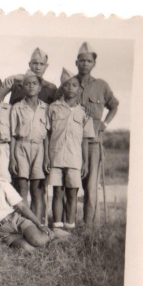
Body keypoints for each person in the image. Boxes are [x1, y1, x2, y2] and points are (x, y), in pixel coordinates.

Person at [0, 152, 69, 251]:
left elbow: (22, 206)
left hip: (16, 220)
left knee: (38, 241)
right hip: (0, 231)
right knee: (29, 249)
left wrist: (40, 224)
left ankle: (54, 233)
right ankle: (49, 240)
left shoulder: (2, 184)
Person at [74, 41, 119, 224]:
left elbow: (114, 106)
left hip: (93, 143)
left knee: (91, 186)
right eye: (81, 60)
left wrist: (105, 124)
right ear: (76, 62)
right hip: (72, 143)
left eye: (88, 61)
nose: (85, 64)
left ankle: (89, 228)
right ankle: (68, 224)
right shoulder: (69, 84)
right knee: (71, 185)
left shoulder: (101, 85)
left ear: (94, 64)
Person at [47, 68, 95, 230]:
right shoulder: (53, 108)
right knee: (58, 192)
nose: (70, 88)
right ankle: (57, 226)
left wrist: (86, 163)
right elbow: (48, 134)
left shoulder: (83, 112)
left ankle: (69, 226)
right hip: (56, 156)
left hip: (75, 159)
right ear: (62, 87)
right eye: (66, 85)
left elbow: (85, 140)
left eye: (74, 85)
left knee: (72, 193)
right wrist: (47, 157)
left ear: (79, 88)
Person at [10, 72, 50, 222]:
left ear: (40, 88)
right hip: (21, 147)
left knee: (37, 190)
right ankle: (24, 223)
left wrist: (46, 157)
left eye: (34, 83)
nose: (31, 86)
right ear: (22, 87)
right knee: (22, 188)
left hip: (39, 149)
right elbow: (13, 135)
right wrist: (13, 159)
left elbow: (47, 136)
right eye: (27, 84)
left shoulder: (46, 108)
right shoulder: (17, 108)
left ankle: (38, 223)